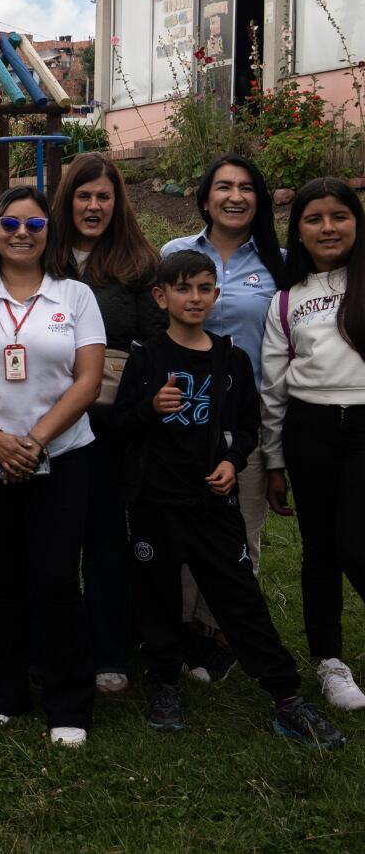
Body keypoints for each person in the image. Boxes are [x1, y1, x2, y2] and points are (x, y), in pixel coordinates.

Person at [115, 250, 346, 746]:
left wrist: (231, 463)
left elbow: (246, 429)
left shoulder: (232, 360)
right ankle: (165, 682)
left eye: (203, 288)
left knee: (240, 597)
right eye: (182, 288)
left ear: (215, 296)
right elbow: (120, 427)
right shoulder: (146, 358)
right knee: (157, 597)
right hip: (155, 502)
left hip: (212, 503)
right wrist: (152, 408)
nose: (194, 297)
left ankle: (286, 697)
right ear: (161, 296)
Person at [0, 187, 105, 747]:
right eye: (9, 223)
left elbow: (87, 380)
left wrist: (32, 441)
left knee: (58, 578)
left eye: (34, 226)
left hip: (62, 454)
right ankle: (3, 694)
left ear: (48, 235)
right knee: (0, 577)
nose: (21, 233)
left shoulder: (76, 296)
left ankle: (69, 703)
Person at [163, 155, 289, 679]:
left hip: (248, 417)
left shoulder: (279, 263)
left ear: (258, 199)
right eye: (223, 187)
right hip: (186, 416)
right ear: (205, 197)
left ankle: (221, 632)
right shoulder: (175, 253)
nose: (235, 197)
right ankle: (184, 631)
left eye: (246, 188)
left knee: (241, 527)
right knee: (186, 526)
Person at [47, 152, 163, 696]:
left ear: (117, 204)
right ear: (67, 200)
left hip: (112, 426)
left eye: (104, 197)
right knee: (52, 537)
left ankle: (110, 648)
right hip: (46, 422)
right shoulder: (43, 258)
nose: (94, 207)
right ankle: (53, 641)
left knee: (105, 538)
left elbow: (153, 344)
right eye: (84, 196)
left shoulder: (138, 263)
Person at [261, 178, 365, 712]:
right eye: (314, 219)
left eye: (339, 217)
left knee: (354, 541)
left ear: (356, 222)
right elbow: (274, 388)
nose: (328, 228)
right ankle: (330, 662)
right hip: (310, 428)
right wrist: (274, 460)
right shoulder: (286, 301)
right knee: (320, 550)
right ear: (297, 232)